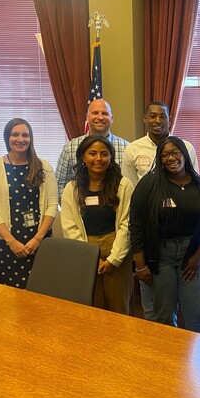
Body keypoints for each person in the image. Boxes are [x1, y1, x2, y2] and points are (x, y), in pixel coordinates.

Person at [122, 101, 198, 321]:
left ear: (169, 119)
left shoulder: (186, 147)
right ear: (145, 118)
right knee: (153, 305)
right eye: (152, 116)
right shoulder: (133, 149)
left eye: (162, 116)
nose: (157, 121)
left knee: (190, 308)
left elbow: (194, 185)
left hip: (182, 234)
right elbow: (128, 192)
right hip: (148, 233)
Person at [129, 136, 200, 333]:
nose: (171, 158)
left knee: (197, 315)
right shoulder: (149, 185)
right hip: (160, 257)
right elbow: (136, 226)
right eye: (165, 154)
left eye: (175, 152)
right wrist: (140, 266)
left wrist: (197, 257)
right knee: (165, 315)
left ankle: (199, 362)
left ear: (184, 154)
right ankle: (169, 360)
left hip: (191, 256)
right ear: (159, 159)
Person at [61, 135, 133, 315]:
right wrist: (90, 257)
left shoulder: (123, 185)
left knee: (119, 308)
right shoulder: (73, 188)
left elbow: (127, 224)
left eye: (104, 154)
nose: (98, 159)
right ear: (83, 157)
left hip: (117, 251)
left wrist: (113, 260)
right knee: (92, 307)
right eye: (92, 153)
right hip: (86, 249)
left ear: (111, 157)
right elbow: (69, 227)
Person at [0, 118, 57, 288]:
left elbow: (52, 205)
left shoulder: (43, 166)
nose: (20, 139)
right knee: (8, 299)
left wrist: (38, 239)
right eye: (15, 134)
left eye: (25, 135)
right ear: (7, 137)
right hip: (6, 244)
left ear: (31, 138)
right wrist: (12, 242)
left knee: (42, 293)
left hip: (40, 242)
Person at [56, 99, 129, 200]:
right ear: (87, 117)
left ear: (112, 118)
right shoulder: (70, 147)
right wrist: (73, 208)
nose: (100, 117)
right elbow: (59, 185)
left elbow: (129, 185)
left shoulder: (127, 148)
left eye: (104, 113)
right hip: (80, 211)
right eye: (95, 113)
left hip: (117, 209)